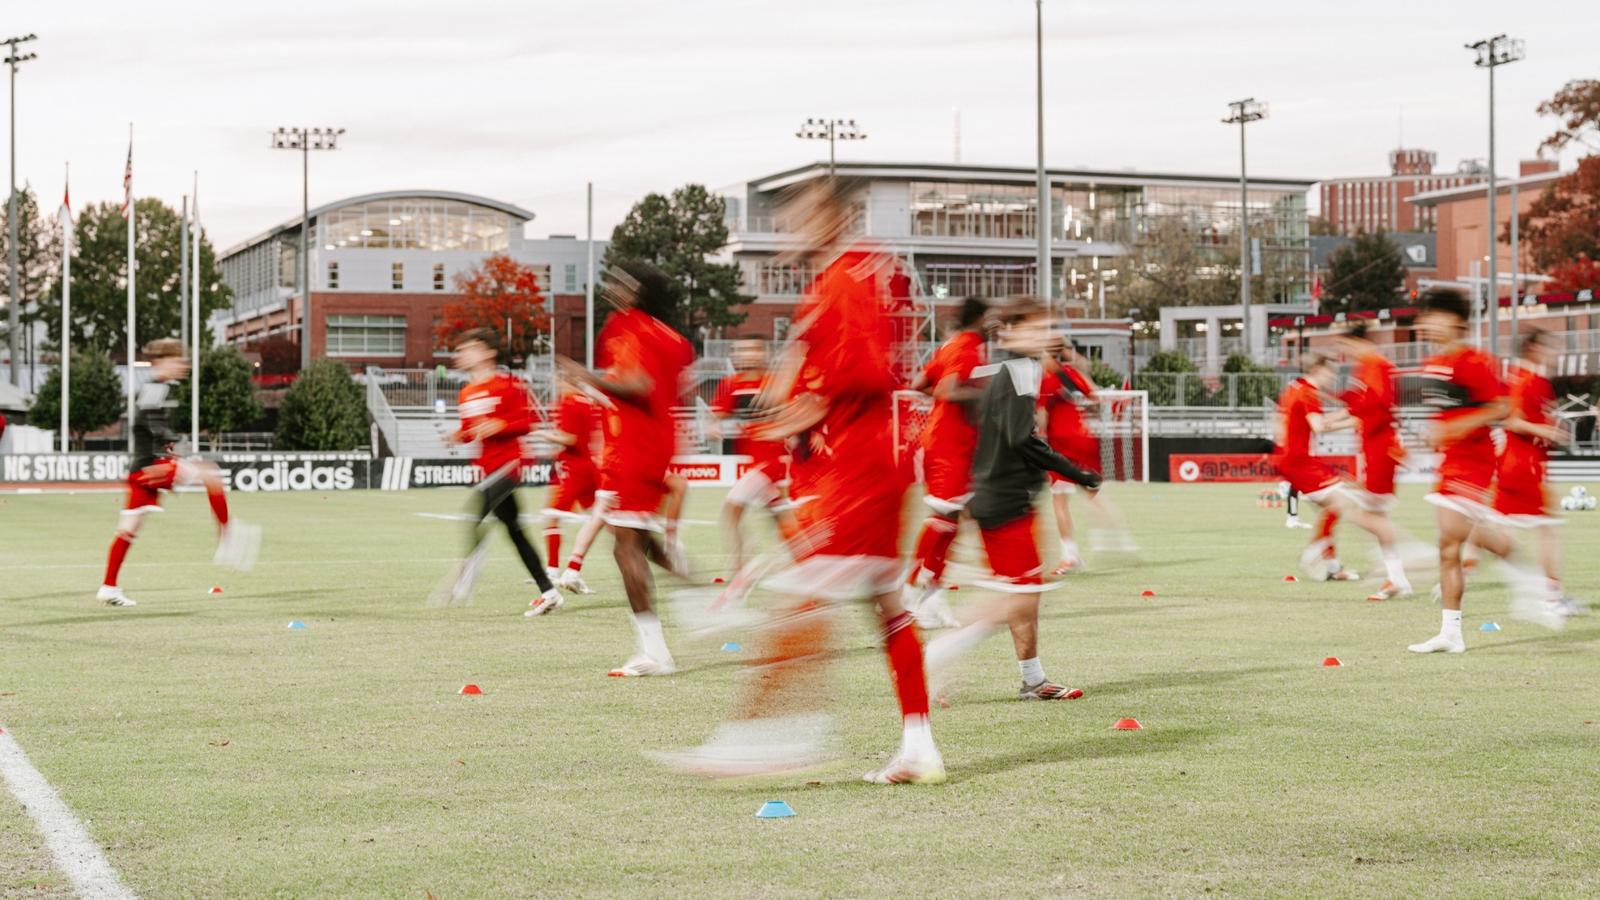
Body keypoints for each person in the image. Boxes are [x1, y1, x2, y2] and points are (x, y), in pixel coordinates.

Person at [661, 176, 943, 785]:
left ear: (833, 216)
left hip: (859, 467)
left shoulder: (841, 280)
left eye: (803, 214)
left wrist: (800, 412)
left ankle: (767, 739)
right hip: (875, 459)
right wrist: (795, 408)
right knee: (886, 602)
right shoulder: (869, 272)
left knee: (799, 597)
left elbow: (859, 376)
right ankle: (918, 745)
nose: (792, 228)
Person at [923, 297, 1102, 701]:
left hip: (997, 492)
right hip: (1003, 497)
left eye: (1049, 326)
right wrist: (1078, 473)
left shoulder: (999, 368)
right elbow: (1023, 438)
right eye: (1037, 328)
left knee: (1025, 593)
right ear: (1010, 332)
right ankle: (940, 652)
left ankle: (1033, 679)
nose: (1047, 334)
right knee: (1015, 595)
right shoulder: (1021, 369)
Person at [558, 259, 695, 676]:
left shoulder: (627, 326)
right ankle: (701, 596)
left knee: (626, 547)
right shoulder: (672, 337)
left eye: (622, 281)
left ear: (638, 291)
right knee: (640, 539)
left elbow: (638, 386)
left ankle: (656, 652)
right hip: (654, 444)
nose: (613, 286)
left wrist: (589, 379)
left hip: (632, 448)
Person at [1407, 288, 1558, 653]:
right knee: (1448, 547)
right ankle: (1451, 633)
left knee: (1452, 532)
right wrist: (1436, 434)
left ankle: (1525, 572)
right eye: (1425, 316)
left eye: (1434, 315)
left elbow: (1503, 408)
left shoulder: (1474, 361)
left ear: (1457, 322)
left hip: (1477, 462)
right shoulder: (1432, 364)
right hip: (1449, 462)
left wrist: (1457, 428)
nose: (1427, 323)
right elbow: (1447, 414)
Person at [97, 338, 258, 607]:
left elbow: (147, 423)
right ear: (161, 363)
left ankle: (108, 586)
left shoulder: (157, 389)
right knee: (211, 473)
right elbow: (146, 421)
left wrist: (167, 445)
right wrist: (165, 444)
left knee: (127, 530)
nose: (182, 365)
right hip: (151, 468)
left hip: (142, 469)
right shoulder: (154, 389)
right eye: (177, 360)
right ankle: (226, 536)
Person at [445, 329, 564, 615]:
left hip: (510, 464)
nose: (463, 355)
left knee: (472, 516)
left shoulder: (508, 384)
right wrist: (458, 435)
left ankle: (466, 577)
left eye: (470, 349)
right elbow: (471, 430)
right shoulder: (466, 392)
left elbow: (529, 421)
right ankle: (549, 592)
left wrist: (499, 425)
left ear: (488, 353)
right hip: (487, 468)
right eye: (461, 351)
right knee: (515, 532)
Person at [1273, 352, 1410, 590]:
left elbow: (1279, 423)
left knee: (1336, 506)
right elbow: (1319, 426)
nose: (1332, 378)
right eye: (1331, 373)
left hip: (1289, 459)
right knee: (1348, 501)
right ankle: (1317, 553)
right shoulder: (1308, 393)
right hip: (1299, 462)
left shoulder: (1292, 388)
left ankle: (1331, 564)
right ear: (1320, 371)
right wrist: (1356, 421)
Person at [902, 296, 989, 629]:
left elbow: (920, 384)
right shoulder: (967, 348)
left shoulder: (952, 347)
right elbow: (949, 390)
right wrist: (986, 395)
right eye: (990, 319)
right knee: (944, 516)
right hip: (949, 447)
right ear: (978, 319)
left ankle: (932, 596)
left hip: (954, 444)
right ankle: (909, 591)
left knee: (955, 519)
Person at [1491, 330, 1573, 614]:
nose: (1552, 352)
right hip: (1526, 466)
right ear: (1533, 348)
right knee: (1548, 529)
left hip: (1512, 463)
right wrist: (1547, 430)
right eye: (1548, 346)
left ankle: (1460, 569)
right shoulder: (1530, 380)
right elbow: (1512, 421)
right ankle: (1550, 595)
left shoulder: (1515, 376)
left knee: (1497, 526)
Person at [706, 337, 796, 593]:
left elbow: (795, 412)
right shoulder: (732, 384)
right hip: (755, 464)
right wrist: (712, 425)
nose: (746, 354)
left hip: (774, 462)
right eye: (741, 349)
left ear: (764, 353)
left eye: (752, 349)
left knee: (731, 510)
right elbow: (716, 414)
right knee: (781, 519)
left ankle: (738, 571)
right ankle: (804, 566)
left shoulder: (776, 383)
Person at [1335, 322, 1415, 602]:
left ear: (1356, 341)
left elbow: (1377, 404)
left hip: (1381, 447)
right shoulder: (1367, 366)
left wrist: (1349, 402)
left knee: (1358, 510)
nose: (1342, 352)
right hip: (1375, 446)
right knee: (1372, 513)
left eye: (1343, 345)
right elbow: (1366, 405)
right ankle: (1396, 577)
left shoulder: (1374, 365)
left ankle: (1411, 561)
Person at [1038, 339, 1132, 573]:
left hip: (1061, 446)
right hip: (1083, 439)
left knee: (1059, 500)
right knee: (1093, 494)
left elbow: (1041, 417)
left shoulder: (1045, 379)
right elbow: (1094, 395)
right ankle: (1120, 538)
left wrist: (1038, 442)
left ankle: (1070, 556)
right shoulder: (1070, 373)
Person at [533, 368, 603, 599]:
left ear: (567, 380)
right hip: (588, 467)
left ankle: (554, 570)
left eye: (558, 379)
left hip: (574, 470)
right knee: (603, 519)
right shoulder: (588, 401)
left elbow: (570, 438)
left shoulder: (567, 402)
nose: (556, 383)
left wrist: (545, 435)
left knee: (551, 516)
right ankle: (572, 569)